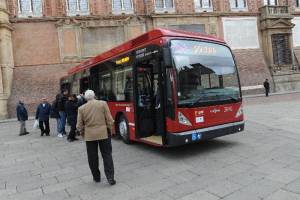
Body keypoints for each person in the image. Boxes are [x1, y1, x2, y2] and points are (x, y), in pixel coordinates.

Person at [77, 90, 116, 185]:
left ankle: (96, 177)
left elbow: (79, 125)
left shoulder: (81, 108)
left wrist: (83, 134)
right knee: (107, 155)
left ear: (86, 98)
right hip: (103, 133)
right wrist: (111, 130)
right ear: (94, 95)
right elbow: (110, 119)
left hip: (89, 135)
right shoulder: (102, 104)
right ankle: (110, 177)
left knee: (92, 157)